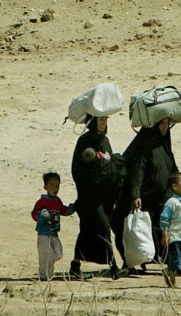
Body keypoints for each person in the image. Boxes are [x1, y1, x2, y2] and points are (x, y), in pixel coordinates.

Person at [112, 117, 178, 273]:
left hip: (160, 197)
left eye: (167, 124)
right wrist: (135, 195)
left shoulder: (164, 144)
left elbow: (171, 168)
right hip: (142, 199)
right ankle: (130, 264)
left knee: (160, 230)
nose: (165, 127)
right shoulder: (143, 145)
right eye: (161, 123)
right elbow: (137, 170)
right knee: (128, 230)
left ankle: (172, 261)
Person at [69, 115, 122, 281]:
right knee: (103, 228)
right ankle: (114, 267)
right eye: (100, 119)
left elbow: (110, 165)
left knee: (87, 231)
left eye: (106, 119)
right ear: (93, 122)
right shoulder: (84, 142)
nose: (104, 122)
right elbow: (79, 170)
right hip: (88, 197)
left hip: (104, 197)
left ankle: (75, 265)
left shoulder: (104, 140)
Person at [31, 171, 77, 281]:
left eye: (57, 185)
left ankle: (47, 271)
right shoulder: (42, 201)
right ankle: (44, 275)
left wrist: (74, 207)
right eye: (51, 185)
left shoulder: (57, 201)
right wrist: (42, 214)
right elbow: (34, 214)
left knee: (58, 253)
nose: (55, 188)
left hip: (54, 233)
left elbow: (64, 211)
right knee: (45, 255)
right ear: (45, 187)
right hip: (43, 233)